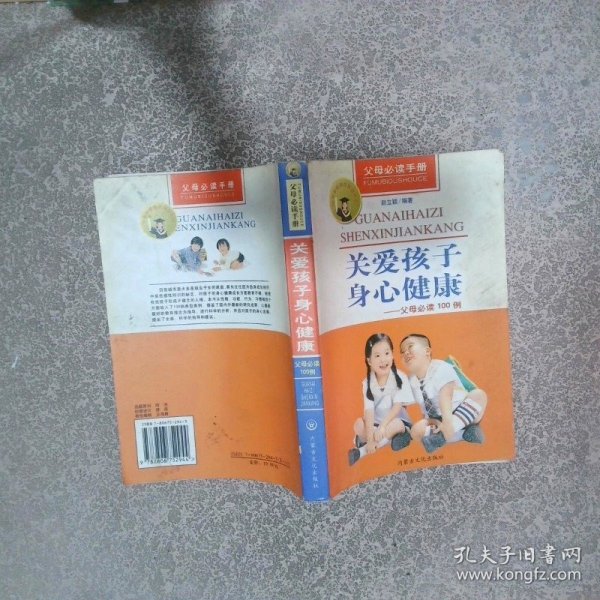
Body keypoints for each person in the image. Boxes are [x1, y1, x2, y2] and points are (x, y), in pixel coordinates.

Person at [399, 334, 487, 453]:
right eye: (402, 352)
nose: (406, 353)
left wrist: (448, 422)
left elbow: (445, 396)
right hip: (436, 421)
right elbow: (402, 402)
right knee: (415, 431)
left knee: (479, 395)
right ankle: (462, 434)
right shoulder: (411, 381)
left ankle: (443, 435)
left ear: (427, 351)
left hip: (460, 410)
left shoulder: (441, 368)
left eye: (410, 347)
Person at [348, 333, 415, 466]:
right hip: (375, 424)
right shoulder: (367, 382)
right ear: (369, 361)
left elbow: (397, 407)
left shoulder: (400, 377)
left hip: (394, 421)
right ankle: (391, 440)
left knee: (396, 425)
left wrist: (382, 427)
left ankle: (361, 451)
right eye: (377, 356)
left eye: (387, 353)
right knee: (358, 424)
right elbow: (369, 411)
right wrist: (370, 437)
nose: (383, 359)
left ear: (392, 355)